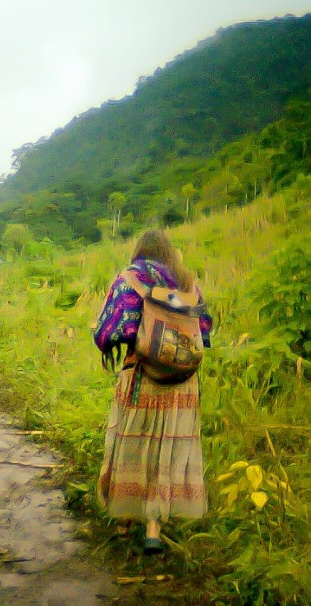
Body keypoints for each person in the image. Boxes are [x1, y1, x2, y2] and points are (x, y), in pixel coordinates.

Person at [93, 230, 212, 554]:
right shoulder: (187, 284)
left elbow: (110, 331)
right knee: (167, 451)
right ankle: (153, 530)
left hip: (142, 376)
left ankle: (123, 523)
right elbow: (205, 331)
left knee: (131, 445)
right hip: (182, 384)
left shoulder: (130, 281)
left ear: (139, 252)